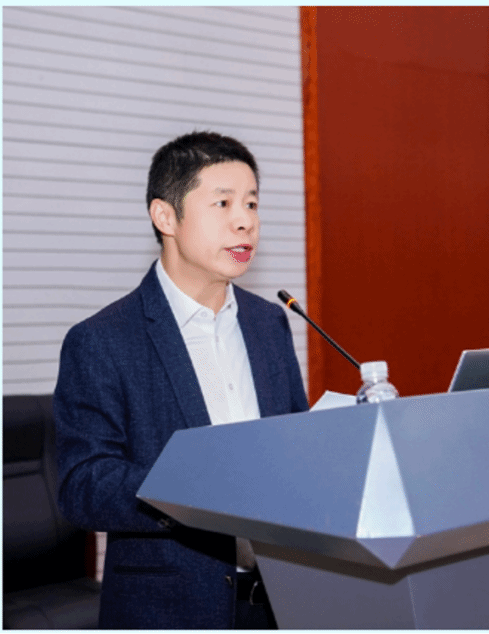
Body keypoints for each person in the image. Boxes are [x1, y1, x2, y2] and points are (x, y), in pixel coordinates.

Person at [54, 131, 308, 628]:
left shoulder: (269, 323)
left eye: (252, 203)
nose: (245, 221)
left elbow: (294, 441)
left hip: (281, 602)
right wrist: (200, 484)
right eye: (223, 203)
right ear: (165, 216)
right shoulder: (102, 340)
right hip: (172, 608)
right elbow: (83, 485)